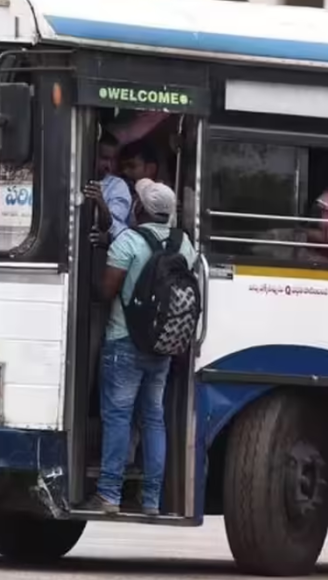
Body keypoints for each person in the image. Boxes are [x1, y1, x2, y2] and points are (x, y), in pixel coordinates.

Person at [77, 179, 197, 517]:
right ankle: (151, 500)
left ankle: (109, 495)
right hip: (163, 344)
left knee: (118, 417)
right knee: (153, 419)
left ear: (140, 208)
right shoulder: (184, 244)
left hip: (124, 342)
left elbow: (106, 291)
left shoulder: (128, 241)